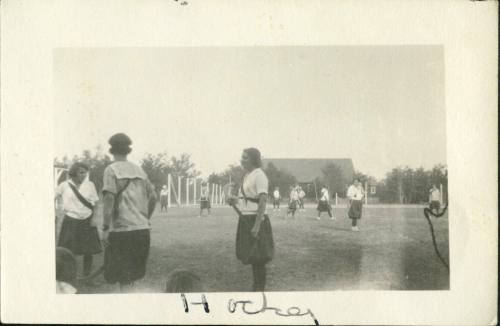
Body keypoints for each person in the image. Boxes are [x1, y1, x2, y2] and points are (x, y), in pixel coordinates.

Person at [101, 133, 157, 293]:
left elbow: (109, 200)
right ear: (128, 150)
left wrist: (105, 228)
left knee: (123, 278)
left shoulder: (111, 169)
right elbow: (153, 197)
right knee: (133, 275)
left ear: (111, 150)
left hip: (121, 231)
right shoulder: (139, 170)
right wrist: (146, 217)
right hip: (142, 230)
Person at [227, 148, 274, 292]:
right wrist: (233, 200)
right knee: (253, 257)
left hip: (256, 219)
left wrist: (256, 226)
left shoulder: (259, 175)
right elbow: (246, 200)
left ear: (253, 159)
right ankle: (256, 286)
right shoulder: (247, 176)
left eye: (245, 157)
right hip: (245, 218)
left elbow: (262, 201)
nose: (242, 160)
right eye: (242, 157)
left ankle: (259, 289)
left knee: (259, 257)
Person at [55, 162, 101, 276]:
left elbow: (96, 203)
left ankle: (87, 275)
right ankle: (69, 274)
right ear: (74, 172)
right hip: (71, 220)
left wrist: (94, 219)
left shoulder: (90, 185)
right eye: (81, 172)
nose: (84, 175)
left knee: (88, 250)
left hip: (87, 220)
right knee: (69, 250)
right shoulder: (64, 185)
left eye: (85, 172)